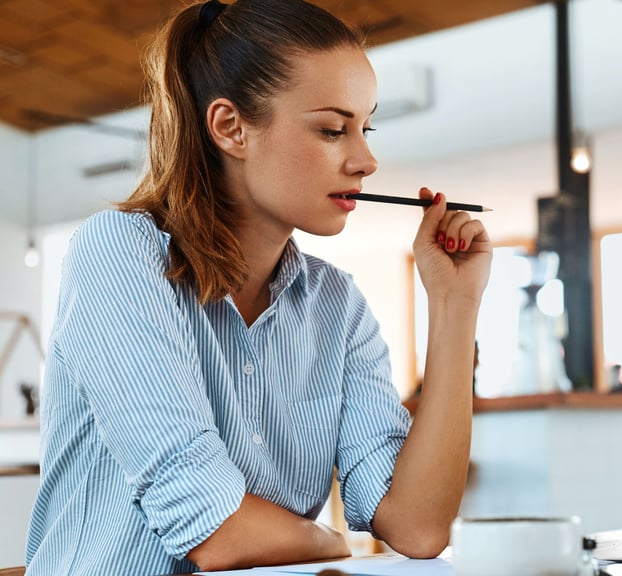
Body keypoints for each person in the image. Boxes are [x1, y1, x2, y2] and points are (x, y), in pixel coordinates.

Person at [24, 0, 492, 574]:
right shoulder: (119, 252)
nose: (366, 160)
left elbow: (417, 528)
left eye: (364, 128)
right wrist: (327, 541)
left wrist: (452, 305)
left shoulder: (338, 307)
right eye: (331, 129)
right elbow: (213, 530)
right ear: (231, 128)